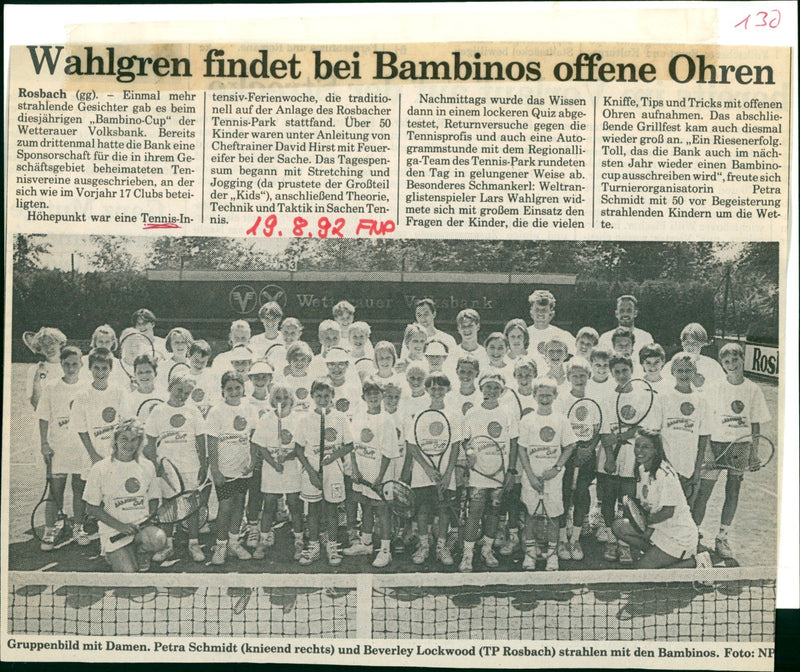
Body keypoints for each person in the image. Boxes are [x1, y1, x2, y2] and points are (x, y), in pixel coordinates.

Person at [690, 343, 770, 558]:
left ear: (742, 359)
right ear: (722, 364)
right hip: (714, 445)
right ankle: (693, 534)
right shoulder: (715, 386)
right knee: (703, 492)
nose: (731, 365)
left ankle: (722, 537)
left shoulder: (753, 389)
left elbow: (755, 425)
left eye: (735, 360)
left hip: (740, 447)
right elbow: (705, 418)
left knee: (732, 491)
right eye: (726, 362)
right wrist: (706, 447)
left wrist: (754, 453)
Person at [596, 354, 662, 564]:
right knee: (607, 500)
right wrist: (609, 458)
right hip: (610, 459)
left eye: (625, 371)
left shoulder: (643, 396)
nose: (621, 375)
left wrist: (626, 437)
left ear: (632, 371)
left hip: (632, 460)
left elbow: (644, 429)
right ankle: (610, 541)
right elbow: (605, 435)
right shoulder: (606, 398)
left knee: (628, 503)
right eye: (617, 371)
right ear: (612, 373)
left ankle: (625, 544)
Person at [612, 431, 709, 570]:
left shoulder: (664, 475)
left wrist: (643, 522)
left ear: (655, 450)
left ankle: (695, 563)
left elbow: (668, 512)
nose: (639, 451)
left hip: (679, 538)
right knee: (619, 526)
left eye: (645, 447)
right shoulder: (642, 469)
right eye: (637, 446)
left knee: (642, 571)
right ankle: (659, 555)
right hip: (659, 531)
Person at [83, 419, 163, 572]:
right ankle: (111, 553)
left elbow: (153, 499)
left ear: (140, 442)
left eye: (134, 439)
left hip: (140, 529)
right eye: (124, 439)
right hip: (114, 531)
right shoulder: (100, 468)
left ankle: (141, 551)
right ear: (115, 441)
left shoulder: (147, 466)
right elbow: (91, 508)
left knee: (158, 539)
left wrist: (150, 517)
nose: (129, 444)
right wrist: (120, 526)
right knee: (129, 576)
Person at [402, 373, 464, 566]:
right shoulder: (419, 414)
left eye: (441, 388)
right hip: (423, 475)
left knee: (444, 511)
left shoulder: (454, 415)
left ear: (448, 389)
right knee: (422, 511)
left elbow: (455, 447)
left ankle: (441, 547)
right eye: (433, 388)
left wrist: (447, 475)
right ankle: (424, 546)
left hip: (446, 475)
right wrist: (428, 469)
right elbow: (412, 445)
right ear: (427, 390)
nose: (437, 391)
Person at [144, 374, 206, 563]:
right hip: (166, 469)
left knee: (191, 506)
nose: (182, 395)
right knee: (167, 506)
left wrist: (203, 464)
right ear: (170, 387)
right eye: (179, 390)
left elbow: (200, 438)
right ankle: (167, 545)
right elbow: (150, 442)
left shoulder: (193, 411)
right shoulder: (158, 411)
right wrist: (155, 465)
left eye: (187, 393)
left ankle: (193, 543)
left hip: (190, 467)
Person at [294, 378, 355, 566]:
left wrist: (333, 456)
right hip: (311, 472)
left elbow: (349, 445)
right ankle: (313, 546)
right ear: (312, 396)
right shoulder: (304, 419)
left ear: (332, 397)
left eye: (326, 396)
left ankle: (332, 545)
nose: (322, 399)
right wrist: (311, 473)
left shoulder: (340, 418)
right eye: (318, 396)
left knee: (332, 510)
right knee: (312, 510)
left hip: (333, 471)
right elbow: (297, 449)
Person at [460, 373, 519, 572]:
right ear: (481, 388)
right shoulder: (472, 413)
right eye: (488, 387)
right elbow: (464, 439)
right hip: (478, 474)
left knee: (493, 514)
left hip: (499, 475)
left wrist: (511, 471)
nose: (491, 391)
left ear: (501, 391)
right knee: (474, 513)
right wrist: (469, 451)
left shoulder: (508, 413)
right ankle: (467, 554)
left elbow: (513, 443)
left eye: (496, 388)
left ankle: (487, 549)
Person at [517, 378, 577, 571]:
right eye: (541, 395)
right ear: (534, 396)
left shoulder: (561, 419)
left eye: (548, 395)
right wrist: (531, 476)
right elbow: (522, 450)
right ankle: (530, 554)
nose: (544, 398)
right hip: (531, 479)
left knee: (553, 517)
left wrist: (556, 469)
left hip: (554, 480)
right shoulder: (527, 420)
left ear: (555, 396)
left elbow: (570, 445)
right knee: (530, 516)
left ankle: (552, 556)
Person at [36, 345, 89, 549]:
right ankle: (51, 529)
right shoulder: (51, 387)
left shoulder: (87, 386)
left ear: (81, 364)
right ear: (61, 364)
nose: (71, 368)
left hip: (81, 449)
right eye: (66, 364)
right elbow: (42, 417)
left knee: (79, 490)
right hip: (58, 450)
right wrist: (44, 443)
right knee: (55, 491)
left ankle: (78, 528)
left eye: (75, 364)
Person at [205, 371, 258, 566]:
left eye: (237, 388)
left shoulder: (249, 409)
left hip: (243, 469)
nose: (234, 392)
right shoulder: (216, 412)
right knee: (225, 507)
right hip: (225, 471)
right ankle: (220, 545)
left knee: (239, 505)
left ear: (243, 389)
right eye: (229, 389)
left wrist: (252, 463)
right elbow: (211, 443)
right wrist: (215, 470)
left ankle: (234, 543)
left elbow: (253, 438)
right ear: (222, 391)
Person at [345, 378, 399, 568]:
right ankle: (366, 544)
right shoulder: (358, 417)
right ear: (363, 397)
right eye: (369, 393)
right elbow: (352, 447)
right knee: (366, 507)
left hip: (380, 476)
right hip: (362, 473)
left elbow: (388, 452)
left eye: (377, 393)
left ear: (382, 395)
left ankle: (385, 551)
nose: (373, 396)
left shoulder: (387, 420)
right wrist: (355, 470)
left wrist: (379, 478)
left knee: (383, 511)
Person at [250, 385, 305, 561]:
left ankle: (299, 540)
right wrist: (274, 463)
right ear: (273, 400)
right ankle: (263, 539)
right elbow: (261, 447)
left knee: (294, 504)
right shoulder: (266, 419)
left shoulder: (299, 419)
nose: (282, 401)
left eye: (285, 398)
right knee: (269, 504)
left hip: (291, 468)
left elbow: (301, 447)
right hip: (272, 468)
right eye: (278, 398)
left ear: (292, 400)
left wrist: (289, 456)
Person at [556, 358, 600, 561]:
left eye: (583, 375)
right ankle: (561, 538)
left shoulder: (595, 399)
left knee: (582, 494)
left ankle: (575, 539)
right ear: (568, 377)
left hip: (587, 456)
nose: (579, 379)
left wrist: (589, 448)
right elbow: (559, 430)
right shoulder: (562, 400)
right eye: (575, 375)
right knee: (563, 496)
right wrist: (572, 451)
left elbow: (599, 429)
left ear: (589, 376)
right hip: (567, 455)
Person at [659, 353, 711, 500]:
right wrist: (662, 466)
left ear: (694, 372)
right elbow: (656, 434)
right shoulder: (663, 397)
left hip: (688, 470)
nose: (683, 374)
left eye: (688, 370)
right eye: (679, 370)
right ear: (672, 372)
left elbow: (703, 438)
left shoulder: (701, 400)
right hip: (664, 468)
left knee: (684, 511)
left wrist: (696, 470)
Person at [72, 347, 128, 467]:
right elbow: (81, 430)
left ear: (111, 369)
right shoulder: (82, 395)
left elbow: (125, 424)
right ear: (89, 368)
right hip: (92, 456)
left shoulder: (120, 391)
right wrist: (93, 455)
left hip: (116, 455)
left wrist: (119, 453)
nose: (100, 372)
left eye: (104, 368)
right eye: (96, 368)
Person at [674, 323, 725, 390]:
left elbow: (722, 388)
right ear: (682, 343)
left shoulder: (713, 365)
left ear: (702, 344)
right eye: (687, 343)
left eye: (694, 343)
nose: (690, 347)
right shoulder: (673, 364)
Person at [26, 327, 67, 410]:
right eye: (43, 345)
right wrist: (37, 379)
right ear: (39, 349)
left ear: (60, 343)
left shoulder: (73, 365)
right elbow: (35, 403)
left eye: (51, 343)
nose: (48, 348)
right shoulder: (34, 370)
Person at [526, 290, 574, 359]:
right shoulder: (523, 335)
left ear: (551, 313)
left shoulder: (562, 335)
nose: (540, 313)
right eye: (537, 309)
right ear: (531, 312)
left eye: (544, 310)